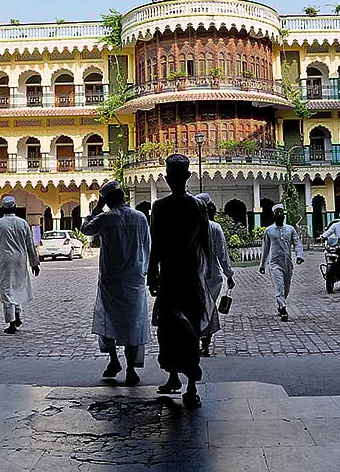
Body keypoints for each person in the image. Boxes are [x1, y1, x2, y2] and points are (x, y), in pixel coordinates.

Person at [148, 154, 212, 409]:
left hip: (171, 277)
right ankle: (189, 386)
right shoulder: (198, 206)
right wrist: (206, 272)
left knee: (170, 329)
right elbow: (205, 243)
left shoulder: (160, 207)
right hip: (190, 277)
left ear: (167, 178)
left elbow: (156, 245)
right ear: (187, 177)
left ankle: (174, 375)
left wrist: (152, 273)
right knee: (190, 329)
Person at [81, 181, 151, 386]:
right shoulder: (140, 218)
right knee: (133, 322)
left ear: (107, 201)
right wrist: (144, 270)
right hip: (134, 280)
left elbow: (86, 229)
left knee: (107, 320)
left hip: (111, 281)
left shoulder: (105, 218)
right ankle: (130, 369)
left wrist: (96, 208)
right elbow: (148, 246)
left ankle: (113, 360)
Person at [0, 196, 40, 334]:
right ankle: (17, 314)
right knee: (17, 287)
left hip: (4, 260)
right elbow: (30, 245)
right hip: (20, 260)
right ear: (15, 207)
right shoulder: (23, 223)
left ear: (3, 208)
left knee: (6, 289)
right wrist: (34, 263)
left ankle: (12, 321)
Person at [195, 193, 235, 357]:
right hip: (213, 276)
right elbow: (222, 255)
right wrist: (229, 275)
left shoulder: (190, 227)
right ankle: (205, 344)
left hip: (194, 275)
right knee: (209, 309)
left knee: (197, 309)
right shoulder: (215, 227)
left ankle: (198, 342)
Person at [259, 204, 304, 321]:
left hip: (287, 262)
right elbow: (265, 248)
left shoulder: (290, 229)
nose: (279, 214)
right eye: (277, 212)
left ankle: (280, 304)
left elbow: (297, 242)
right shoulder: (269, 230)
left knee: (286, 288)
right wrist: (262, 264)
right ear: (273, 215)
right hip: (274, 263)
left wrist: (299, 255)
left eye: (281, 212)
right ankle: (283, 309)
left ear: (284, 215)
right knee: (279, 286)